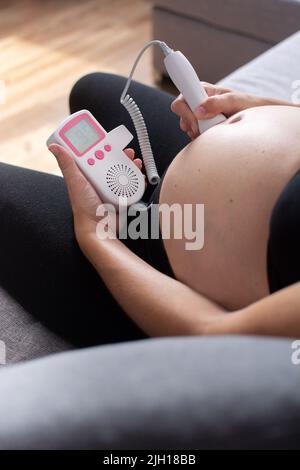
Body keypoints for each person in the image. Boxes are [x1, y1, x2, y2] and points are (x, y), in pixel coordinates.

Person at [1, 73, 300, 347]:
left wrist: (96, 236)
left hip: (163, 265)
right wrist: (254, 107)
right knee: (92, 89)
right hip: (209, 144)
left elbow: (214, 333)